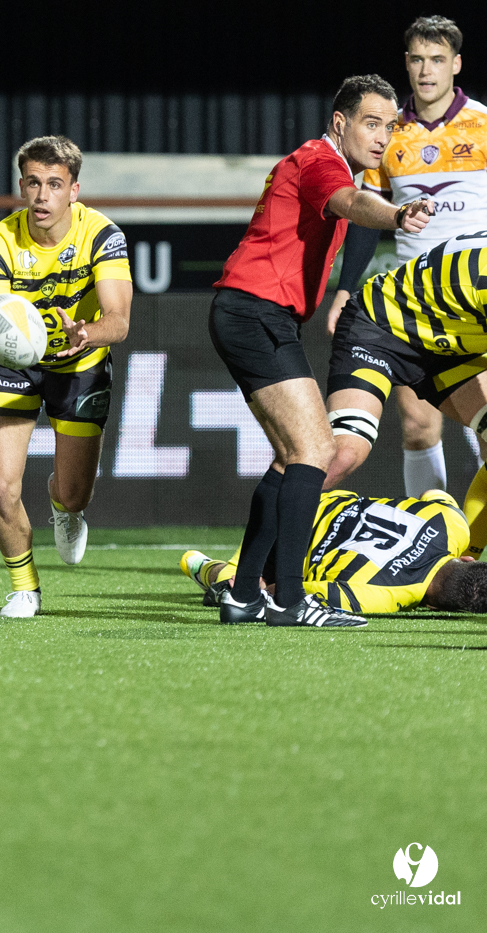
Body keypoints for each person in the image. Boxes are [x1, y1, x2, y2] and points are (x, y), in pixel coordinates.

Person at [207, 74, 434, 628]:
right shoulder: (319, 160)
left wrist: (345, 287)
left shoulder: (336, 166)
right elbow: (353, 203)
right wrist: (399, 215)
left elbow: (353, 210)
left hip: (255, 315)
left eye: (389, 126)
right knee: (316, 447)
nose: (382, 136)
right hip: (254, 313)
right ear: (340, 124)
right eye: (371, 124)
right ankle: (288, 599)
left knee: (292, 457)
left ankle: (242, 594)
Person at [0, 136, 132, 618]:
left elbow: (119, 321)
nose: (43, 196)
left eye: (55, 185)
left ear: (74, 191)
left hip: (80, 363)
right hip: (15, 364)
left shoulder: (103, 236)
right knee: (1, 484)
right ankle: (24, 587)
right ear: (22, 186)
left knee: (73, 491)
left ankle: (65, 510)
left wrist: (89, 332)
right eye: (34, 183)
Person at [326, 16, 487, 498]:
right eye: (417, 58)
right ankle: (430, 548)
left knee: (485, 435)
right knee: (419, 427)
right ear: (406, 63)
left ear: (456, 64)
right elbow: (363, 218)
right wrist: (345, 290)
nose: (426, 70)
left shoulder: (483, 124)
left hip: (475, 296)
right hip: (416, 302)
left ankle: (467, 558)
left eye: (437, 59)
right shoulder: (390, 132)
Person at [323, 232, 487, 557]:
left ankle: (455, 562)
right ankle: (244, 568)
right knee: (344, 453)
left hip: (452, 339)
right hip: (382, 324)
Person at [181, 489, 487, 618]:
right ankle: (203, 567)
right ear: (435, 607)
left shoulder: (454, 526)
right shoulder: (382, 596)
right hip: (279, 547)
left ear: (467, 559)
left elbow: (435, 495)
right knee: (247, 586)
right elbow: (285, 593)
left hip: (310, 498)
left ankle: (208, 567)